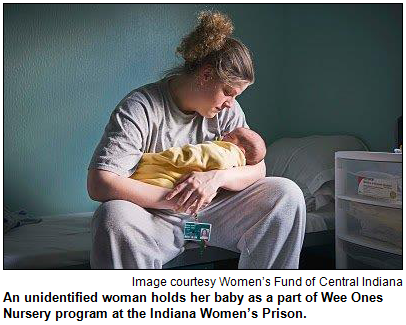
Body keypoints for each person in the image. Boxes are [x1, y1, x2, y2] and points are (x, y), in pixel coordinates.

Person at [87, 10, 306, 269]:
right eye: (228, 92)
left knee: (287, 194)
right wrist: (178, 198)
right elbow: (100, 183)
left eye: (236, 96)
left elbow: (258, 167)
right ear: (205, 75)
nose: (230, 104)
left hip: (211, 214)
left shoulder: (228, 111)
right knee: (113, 216)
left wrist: (215, 179)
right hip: (154, 216)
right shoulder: (141, 107)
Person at [129, 127, 266, 189]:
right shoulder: (229, 152)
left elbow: (199, 155)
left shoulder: (227, 153)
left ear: (240, 150)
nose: (225, 133)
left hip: (171, 179)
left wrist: (175, 155)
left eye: (229, 136)